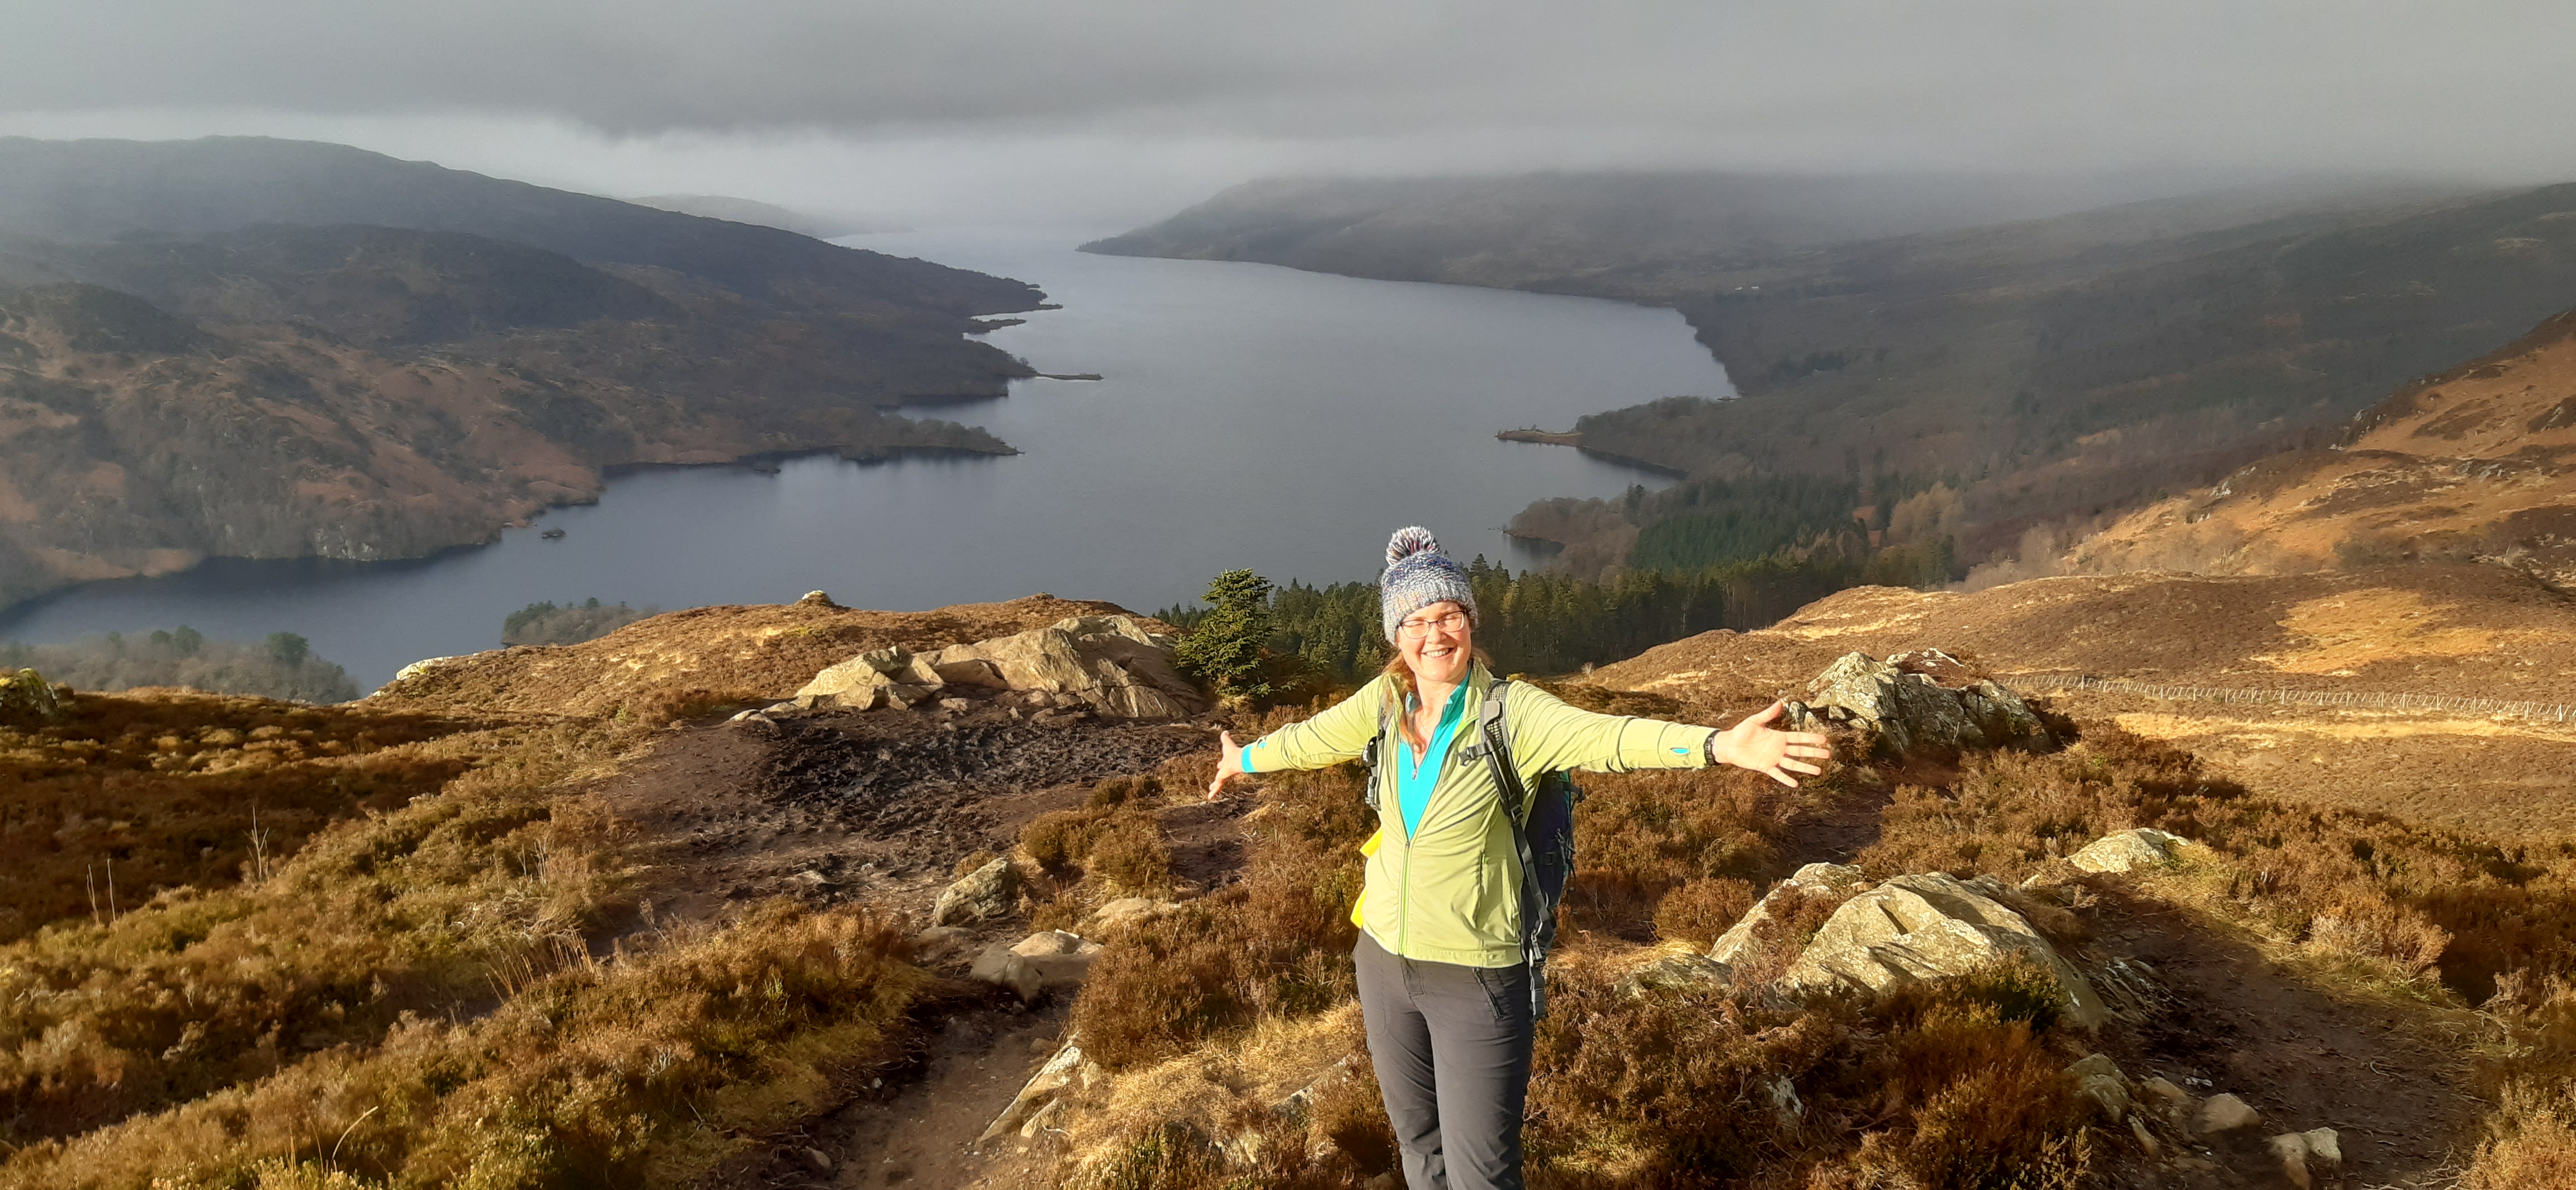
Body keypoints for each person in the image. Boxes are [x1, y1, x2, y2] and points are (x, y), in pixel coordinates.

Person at [1204, 527, 1830, 1190]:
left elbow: (1609, 737)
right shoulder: (1386, 703)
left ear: (1469, 621)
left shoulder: (1513, 713)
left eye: (1447, 615)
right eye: (1415, 620)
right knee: (1419, 1146)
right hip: (1383, 961)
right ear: (1396, 635)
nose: (1433, 634)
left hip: (1478, 976)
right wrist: (1242, 760)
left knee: (1482, 1174)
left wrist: (1718, 746)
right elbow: (1313, 738)